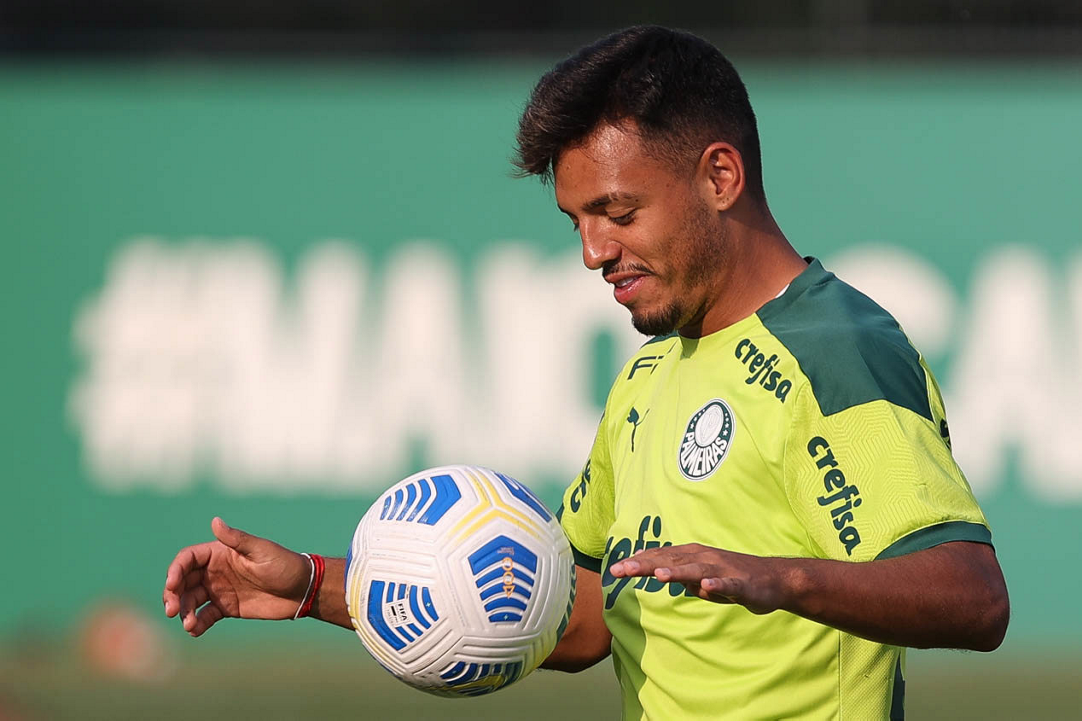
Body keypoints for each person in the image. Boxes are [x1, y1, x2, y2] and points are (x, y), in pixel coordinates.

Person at [163, 25, 1009, 720]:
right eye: (577, 221)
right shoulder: (651, 373)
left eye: (618, 212)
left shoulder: (835, 350)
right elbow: (576, 618)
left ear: (720, 176)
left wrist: (776, 577)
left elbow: (971, 595)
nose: (594, 251)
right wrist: (320, 586)